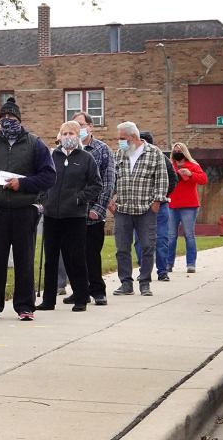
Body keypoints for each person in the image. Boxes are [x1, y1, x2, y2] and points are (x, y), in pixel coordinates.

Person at [0, 97, 56, 321]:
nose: (7, 121)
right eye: (3, 118)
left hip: (24, 210)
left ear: (19, 120)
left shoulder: (35, 144)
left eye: (11, 117)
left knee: (24, 259)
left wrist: (23, 184)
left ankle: (25, 306)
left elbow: (49, 175)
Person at [35, 121, 102, 312]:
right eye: (64, 133)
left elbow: (96, 185)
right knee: (51, 259)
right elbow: (43, 180)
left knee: (76, 257)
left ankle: (81, 297)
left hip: (75, 216)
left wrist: (79, 198)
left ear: (78, 135)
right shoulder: (51, 156)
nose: (67, 136)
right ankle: (48, 300)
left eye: (71, 133)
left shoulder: (86, 158)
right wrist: (43, 199)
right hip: (51, 216)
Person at [109, 121, 168, 296]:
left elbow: (162, 179)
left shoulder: (154, 153)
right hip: (123, 210)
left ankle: (145, 283)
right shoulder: (119, 154)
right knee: (122, 248)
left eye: (122, 138)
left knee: (148, 246)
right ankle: (126, 283)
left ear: (133, 137)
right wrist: (110, 200)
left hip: (146, 209)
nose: (119, 141)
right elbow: (113, 179)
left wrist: (157, 202)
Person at [68, 111, 115, 305]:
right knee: (72, 254)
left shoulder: (102, 150)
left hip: (92, 213)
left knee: (91, 254)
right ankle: (80, 291)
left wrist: (99, 208)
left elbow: (109, 181)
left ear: (90, 126)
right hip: (71, 212)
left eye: (81, 125)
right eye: (74, 126)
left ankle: (98, 291)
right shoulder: (67, 150)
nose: (78, 129)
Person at [135, 131, 178, 281]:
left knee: (161, 239)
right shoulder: (132, 158)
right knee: (139, 240)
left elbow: (173, 179)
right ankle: (144, 270)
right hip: (139, 206)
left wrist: (160, 198)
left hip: (160, 206)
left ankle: (162, 271)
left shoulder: (162, 158)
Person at [168, 142, 208, 273]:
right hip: (172, 205)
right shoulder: (169, 165)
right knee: (171, 235)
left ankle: (191, 264)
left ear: (184, 152)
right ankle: (168, 264)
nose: (177, 152)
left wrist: (190, 174)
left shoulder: (193, 165)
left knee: (189, 235)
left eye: (179, 150)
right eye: (175, 151)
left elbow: (203, 179)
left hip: (189, 206)